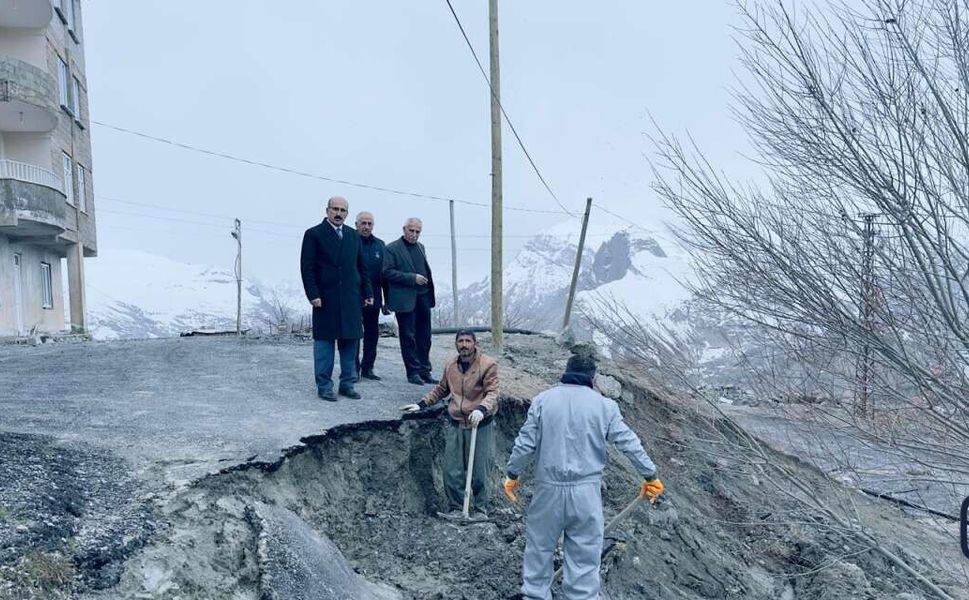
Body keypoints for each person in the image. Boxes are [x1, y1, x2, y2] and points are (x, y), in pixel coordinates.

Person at [503, 354, 665, 600]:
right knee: (584, 560)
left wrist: (513, 473)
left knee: (539, 550)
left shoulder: (543, 401)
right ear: (593, 377)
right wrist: (650, 474)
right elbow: (629, 443)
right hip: (585, 493)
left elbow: (525, 444)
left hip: (548, 490)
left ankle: (535, 595)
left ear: (565, 372)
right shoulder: (604, 406)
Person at [400, 330, 498, 518]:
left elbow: (492, 392)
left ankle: (480, 509)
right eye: (460, 341)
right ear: (456, 344)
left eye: (468, 341)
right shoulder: (451, 365)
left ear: (475, 343)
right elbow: (441, 389)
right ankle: (456, 507)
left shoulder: (487, 364)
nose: (464, 344)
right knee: (452, 469)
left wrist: (482, 409)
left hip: (479, 423)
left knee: (479, 469)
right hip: (456, 422)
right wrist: (421, 404)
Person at [299, 196, 373, 401]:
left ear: (347, 214)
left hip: (351, 298)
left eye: (343, 210)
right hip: (325, 298)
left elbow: (362, 267)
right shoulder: (314, 234)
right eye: (335, 209)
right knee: (324, 344)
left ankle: (347, 384)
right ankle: (324, 386)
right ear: (327, 210)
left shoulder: (352, 235)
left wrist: (367, 293)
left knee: (350, 342)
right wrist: (313, 294)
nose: (339, 213)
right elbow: (307, 268)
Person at [383, 217, 436, 385]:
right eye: (411, 231)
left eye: (417, 231)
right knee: (408, 337)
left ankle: (425, 370)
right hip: (404, 300)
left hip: (423, 297)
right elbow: (387, 272)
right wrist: (412, 278)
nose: (414, 234)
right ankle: (413, 372)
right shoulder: (392, 248)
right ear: (404, 229)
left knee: (425, 336)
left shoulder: (421, 247)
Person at [354, 211, 388, 380]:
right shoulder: (349, 242)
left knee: (372, 334)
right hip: (353, 297)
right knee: (354, 334)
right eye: (363, 223)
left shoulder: (380, 245)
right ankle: (353, 369)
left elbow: (385, 275)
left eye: (369, 224)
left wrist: (386, 299)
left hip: (374, 297)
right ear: (356, 224)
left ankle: (368, 368)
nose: (366, 227)